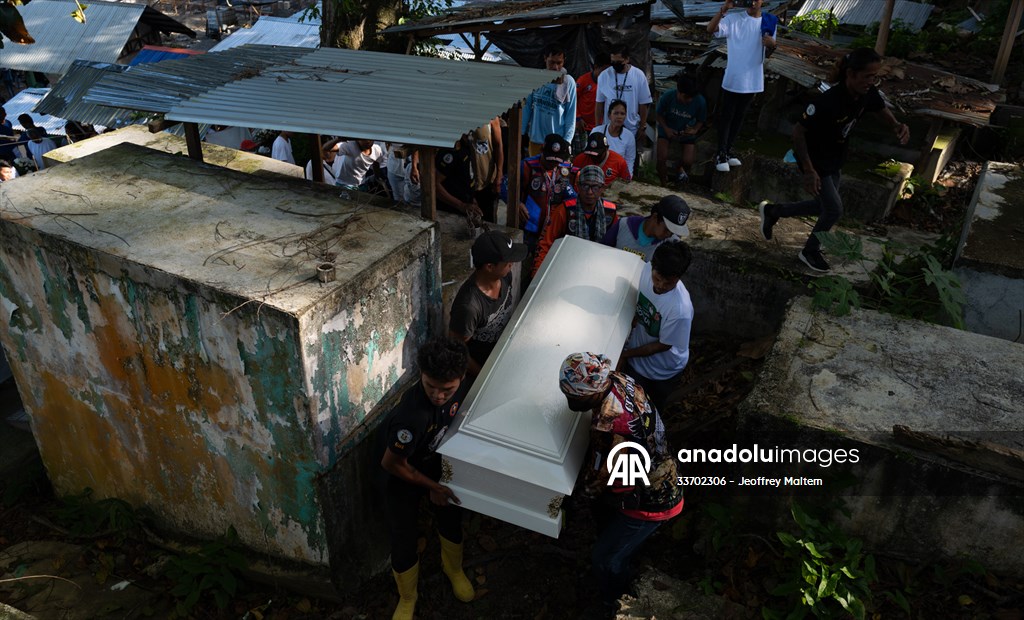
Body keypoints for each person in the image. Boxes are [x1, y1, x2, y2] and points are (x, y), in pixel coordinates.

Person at [759, 48, 910, 273]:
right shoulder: (827, 101)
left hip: (835, 156)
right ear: (851, 74)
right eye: (868, 76)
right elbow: (798, 133)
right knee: (834, 210)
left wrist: (896, 125)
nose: (872, 81)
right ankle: (810, 251)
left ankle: (773, 212)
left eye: (875, 76)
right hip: (814, 158)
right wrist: (809, 171)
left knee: (823, 205)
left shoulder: (867, 92)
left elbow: (880, 109)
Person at [558, 352, 683, 613]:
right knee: (611, 535)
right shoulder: (620, 379)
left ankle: (615, 600)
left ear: (594, 393)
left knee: (605, 559)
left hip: (650, 501)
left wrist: (571, 501)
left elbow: (597, 480)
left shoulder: (609, 425)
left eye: (574, 397)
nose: (569, 402)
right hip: (661, 467)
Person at [381, 337, 476, 620]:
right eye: (430, 385)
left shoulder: (465, 388)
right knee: (403, 535)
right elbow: (391, 463)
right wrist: (432, 487)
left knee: (451, 513)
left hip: (433, 459)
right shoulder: (412, 416)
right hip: (400, 472)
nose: (437, 395)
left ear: (460, 377)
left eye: (446, 389)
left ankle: (454, 569)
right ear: (421, 375)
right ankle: (408, 596)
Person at [620, 240, 694, 413]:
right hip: (637, 360)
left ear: (679, 277)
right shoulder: (645, 269)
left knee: (651, 412)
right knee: (631, 408)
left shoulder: (680, 309)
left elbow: (663, 345)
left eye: (668, 283)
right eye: (657, 278)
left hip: (662, 371)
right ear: (652, 266)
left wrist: (625, 354)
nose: (660, 286)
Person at [707, 0, 777, 173]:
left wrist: (772, 44)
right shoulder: (734, 19)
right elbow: (711, 29)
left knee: (740, 116)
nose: (753, 3)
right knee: (727, 115)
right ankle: (720, 153)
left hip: (753, 78)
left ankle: (728, 150)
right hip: (734, 76)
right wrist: (723, 10)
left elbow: (769, 50)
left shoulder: (770, 21)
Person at [449, 230, 529, 376]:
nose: (511, 264)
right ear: (490, 267)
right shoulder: (469, 307)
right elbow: (458, 350)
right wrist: (483, 377)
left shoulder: (505, 276)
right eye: (507, 262)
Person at [532, 165, 617, 276]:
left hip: (598, 268)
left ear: (602, 189)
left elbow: (617, 247)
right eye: (585, 186)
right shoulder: (564, 210)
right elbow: (545, 244)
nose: (590, 192)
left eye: (595, 187)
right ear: (578, 187)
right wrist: (536, 277)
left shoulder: (610, 212)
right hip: (567, 267)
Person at [518, 133, 576, 256]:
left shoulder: (563, 169)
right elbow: (505, 187)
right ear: (542, 151)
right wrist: (517, 204)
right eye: (550, 159)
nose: (553, 164)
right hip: (529, 227)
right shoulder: (527, 165)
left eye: (557, 160)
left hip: (552, 229)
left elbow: (570, 193)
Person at [522, 44, 577, 156]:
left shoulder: (569, 82)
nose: (555, 67)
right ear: (545, 58)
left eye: (559, 63)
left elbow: (571, 114)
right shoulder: (535, 78)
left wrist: (567, 141)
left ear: (564, 61)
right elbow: (527, 108)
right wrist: (521, 133)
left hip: (556, 143)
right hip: (536, 140)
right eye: (552, 62)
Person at [602, 194, 690, 261]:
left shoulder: (671, 244)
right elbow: (602, 250)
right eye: (667, 229)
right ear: (655, 217)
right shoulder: (624, 225)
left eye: (674, 231)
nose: (669, 234)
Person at [595, 45, 652, 145]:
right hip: (609, 128)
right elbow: (599, 103)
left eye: (618, 62)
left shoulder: (638, 75)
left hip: (631, 128)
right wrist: (597, 127)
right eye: (613, 62)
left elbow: (644, 104)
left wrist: (642, 127)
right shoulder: (604, 75)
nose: (615, 65)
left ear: (627, 59)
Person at [656, 75, 707, 184]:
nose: (689, 100)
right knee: (661, 157)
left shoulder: (700, 101)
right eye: (686, 97)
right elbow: (659, 115)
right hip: (667, 128)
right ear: (679, 92)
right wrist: (667, 129)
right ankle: (663, 182)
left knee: (688, 161)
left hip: (686, 132)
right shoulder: (668, 96)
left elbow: (701, 120)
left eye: (691, 98)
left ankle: (678, 169)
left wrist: (695, 130)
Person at [436, 133, 482, 222]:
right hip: (449, 212)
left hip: (465, 207)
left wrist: (471, 197)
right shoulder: (451, 151)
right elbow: (434, 184)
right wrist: (461, 205)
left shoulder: (467, 145)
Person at [574, 51, 611, 153]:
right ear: (596, 67)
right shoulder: (583, 80)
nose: (606, 74)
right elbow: (573, 100)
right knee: (581, 154)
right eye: (604, 70)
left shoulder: (609, 83)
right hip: (583, 126)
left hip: (599, 127)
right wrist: (578, 118)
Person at [468, 117, 504, 223]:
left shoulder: (492, 119)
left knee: (487, 220)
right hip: (466, 182)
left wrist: (499, 175)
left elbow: (498, 145)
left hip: (486, 180)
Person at [592, 100, 637, 177]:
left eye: (622, 114)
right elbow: (589, 156)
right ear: (609, 115)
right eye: (616, 113)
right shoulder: (597, 131)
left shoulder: (629, 136)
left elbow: (629, 160)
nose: (619, 117)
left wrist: (627, 178)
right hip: (596, 173)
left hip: (617, 175)